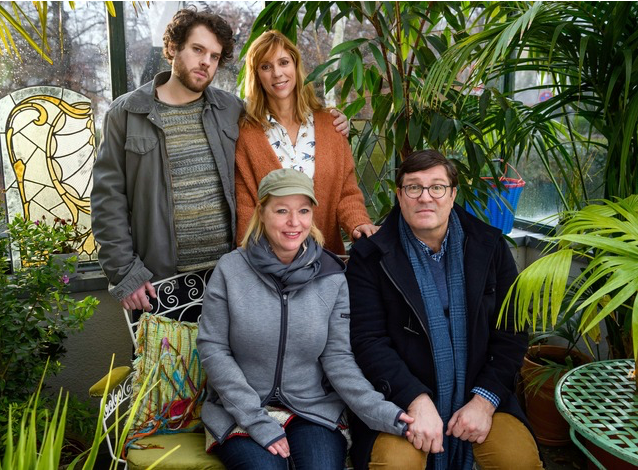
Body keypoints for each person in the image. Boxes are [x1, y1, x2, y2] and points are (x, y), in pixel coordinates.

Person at [91, 9, 348, 313]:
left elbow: (283, 125)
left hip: (233, 279)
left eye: (214, 56)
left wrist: (332, 122)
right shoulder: (126, 113)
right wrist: (125, 273)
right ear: (172, 47)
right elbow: (108, 201)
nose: (206, 62)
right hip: (160, 284)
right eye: (198, 50)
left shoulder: (232, 110)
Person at [197, 168, 413, 470]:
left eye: (303, 210)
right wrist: (256, 420)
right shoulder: (231, 270)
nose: (294, 222)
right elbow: (213, 349)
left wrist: (386, 413)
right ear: (261, 212)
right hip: (240, 411)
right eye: (281, 210)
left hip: (312, 409)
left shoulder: (331, 276)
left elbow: (338, 358)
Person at [345, 150, 543, 470]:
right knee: (396, 465)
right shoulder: (370, 256)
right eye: (414, 187)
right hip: (399, 399)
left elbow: (512, 331)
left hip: (480, 390)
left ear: (452, 194)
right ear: (399, 195)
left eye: (437, 187)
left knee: (517, 461)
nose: (425, 197)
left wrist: (484, 400)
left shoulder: (489, 246)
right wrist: (416, 399)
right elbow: (368, 341)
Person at [235, 30, 377, 256]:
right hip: (271, 263)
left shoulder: (331, 125)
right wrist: (249, 261)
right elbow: (246, 207)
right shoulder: (247, 134)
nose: (277, 73)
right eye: (266, 66)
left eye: (283, 62)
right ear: (257, 75)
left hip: (326, 259)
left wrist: (359, 223)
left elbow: (346, 192)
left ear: (296, 66)